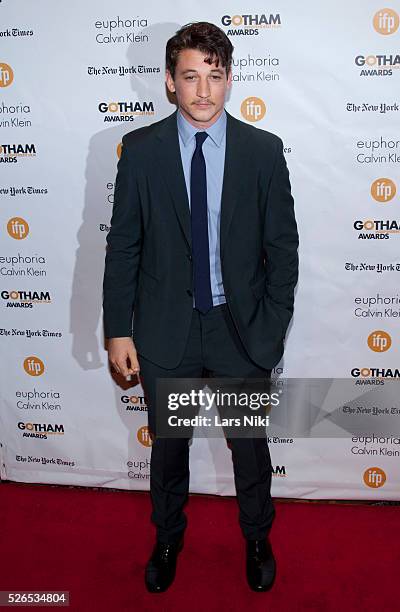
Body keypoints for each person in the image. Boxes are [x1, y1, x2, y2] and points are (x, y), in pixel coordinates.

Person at [103, 21, 299, 593]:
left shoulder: (263, 151)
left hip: (239, 332)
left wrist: (270, 328)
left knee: (249, 450)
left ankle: (257, 537)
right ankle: (167, 538)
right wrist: (119, 329)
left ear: (230, 79)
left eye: (215, 76)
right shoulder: (141, 152)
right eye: (191, 77)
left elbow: (282, 250)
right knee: (168, 451)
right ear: (169, 82)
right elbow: (124, 246)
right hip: (168, 331)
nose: (204, 91)